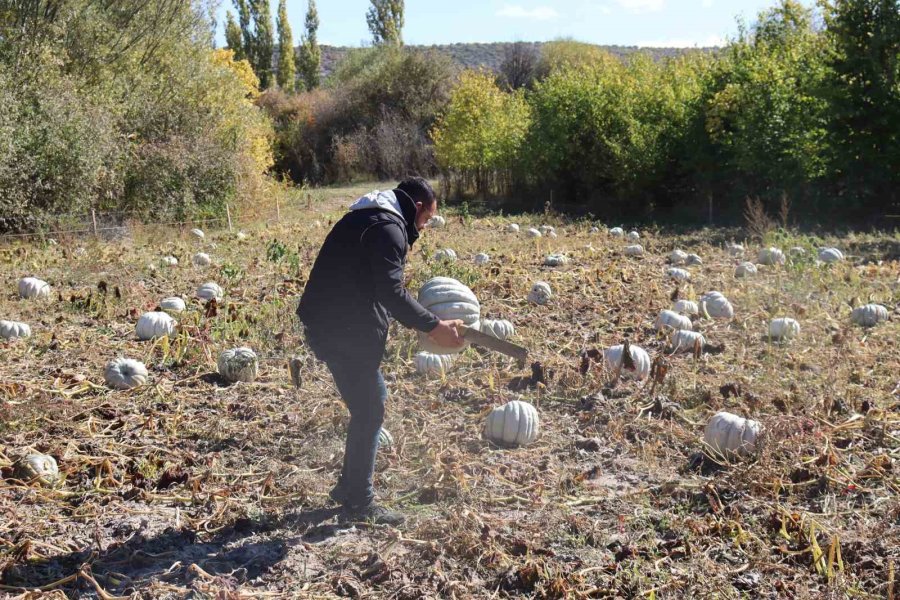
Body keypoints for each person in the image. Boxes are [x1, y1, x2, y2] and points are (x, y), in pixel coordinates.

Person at [297, 177, 463, 526]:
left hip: (331, 321)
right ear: (418, 208)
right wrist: (434, 326)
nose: (424, 228)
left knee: (369, 403)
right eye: (426, 220)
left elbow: (371, 284)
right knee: (371, 409)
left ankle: (348, 488)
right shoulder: (388, 228)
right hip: (341, 327)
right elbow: (391, 292)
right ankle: (360, 502)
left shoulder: (366, 216)